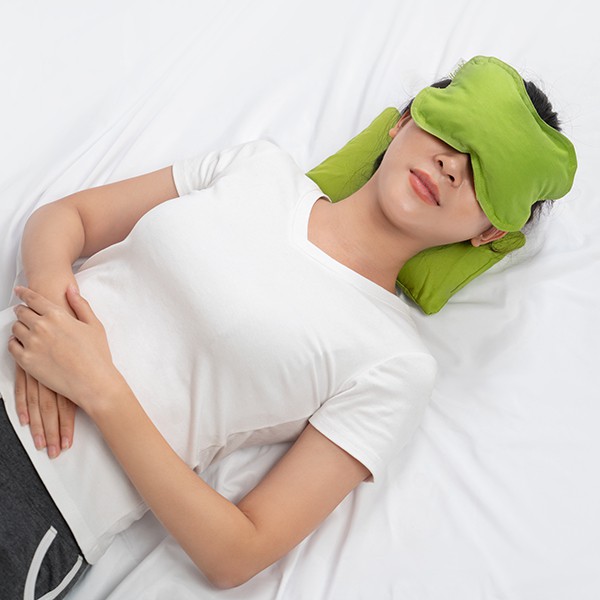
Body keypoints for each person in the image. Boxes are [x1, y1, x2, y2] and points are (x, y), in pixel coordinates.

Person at [0, 55, 576, 598]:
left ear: (489, 233)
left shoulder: (396, 363)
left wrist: (100, 388)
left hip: (43, 494)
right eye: (452, 135)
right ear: (403, 123)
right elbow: (68, 217)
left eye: (484, 177)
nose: (452, 166)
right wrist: (49, 308)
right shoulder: (256, 167)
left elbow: (238, 553)